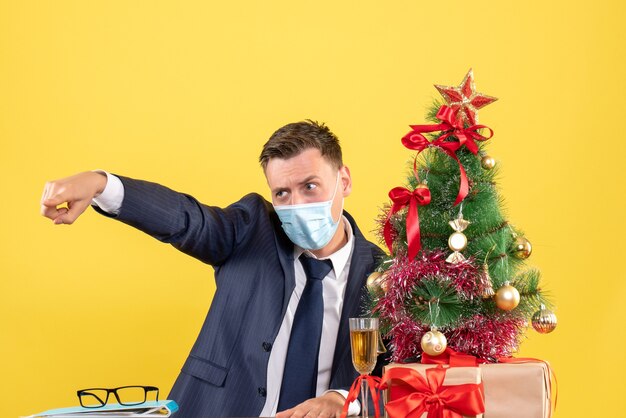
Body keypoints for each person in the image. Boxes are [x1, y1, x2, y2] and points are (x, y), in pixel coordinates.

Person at [40, 120, 384, 418]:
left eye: (310, 186)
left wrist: (341, 398)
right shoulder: (253, 230)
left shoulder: (385, 277)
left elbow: (399, 376)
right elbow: (186, 220)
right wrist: (102, 184)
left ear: (345, 180)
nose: (296, 204)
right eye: (282, 193)